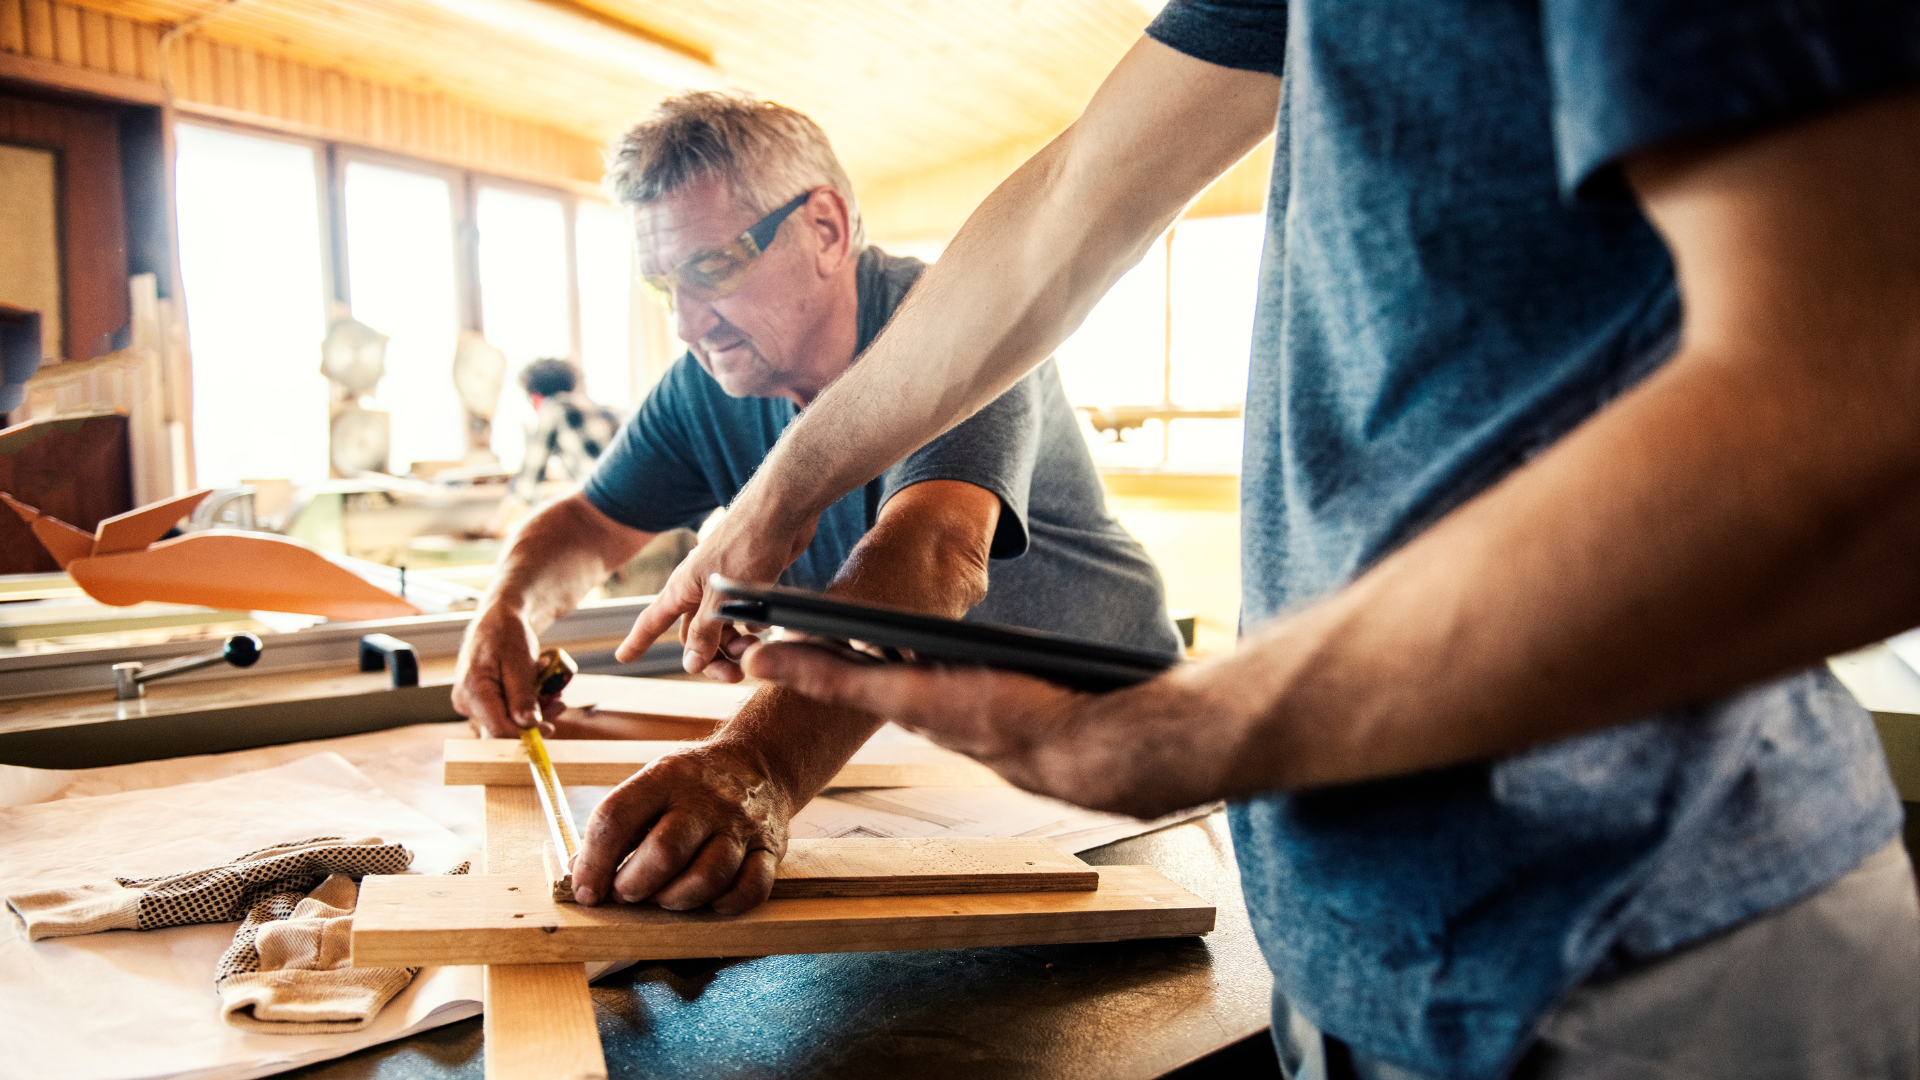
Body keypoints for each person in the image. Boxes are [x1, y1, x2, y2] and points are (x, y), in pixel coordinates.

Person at [595, 4, 1920, 1079]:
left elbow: (1868, 419)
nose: (697, 316)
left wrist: (1198, 730)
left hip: (1654, 956)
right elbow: (1067, 209)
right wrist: (782, 486)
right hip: (1354, 951)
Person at [454, 91, 1183, 915]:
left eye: (712, 269)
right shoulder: (708, 382)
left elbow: (937, 554)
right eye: (665, 288)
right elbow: (590, 522)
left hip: (1129, 757)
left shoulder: (959, 325)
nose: (689, 324)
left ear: (826, 229)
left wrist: (756, 765)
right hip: (936, 752)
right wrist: (510, 605)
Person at [505, 357, 624, 505]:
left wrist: (495, 525)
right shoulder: (611, 412)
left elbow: (524, 488)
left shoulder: (553, 409)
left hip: (609, 508)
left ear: (535, 398)